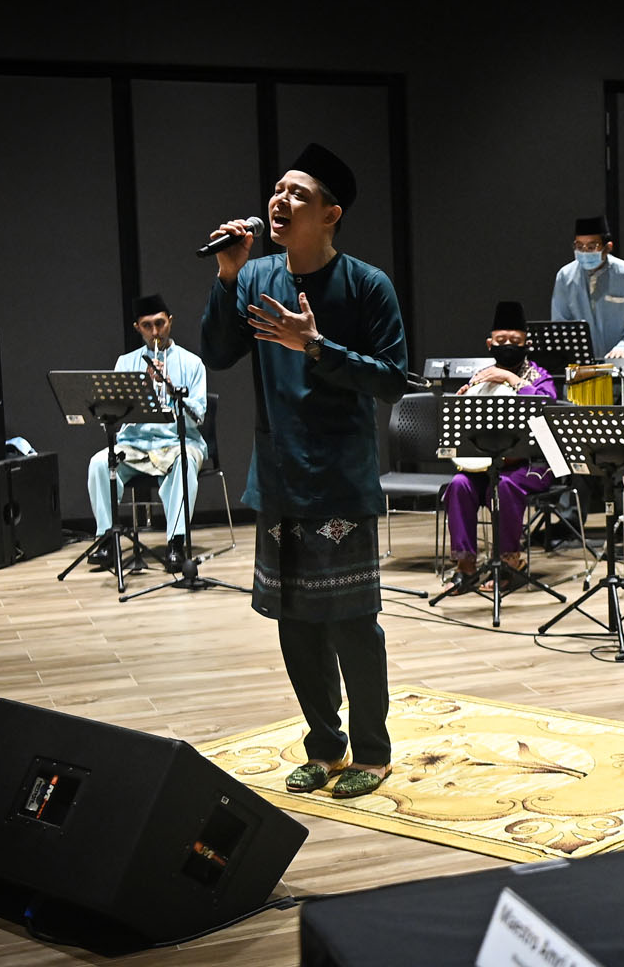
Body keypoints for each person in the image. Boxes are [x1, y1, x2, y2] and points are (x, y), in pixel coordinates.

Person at [200, 143, 409, 800]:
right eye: (278, 191)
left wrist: (315, 345)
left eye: (298, 194)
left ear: (331, 214)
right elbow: (218, 352)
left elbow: (392, 380)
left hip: (340, 477)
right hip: (281, 479)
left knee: (350, 620)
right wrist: (229, 276)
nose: (280, 201)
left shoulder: (366, 284)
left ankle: (372, 752)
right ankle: (324, 746)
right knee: (296, 621)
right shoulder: (258, 276)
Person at [440, 300, 558, 592]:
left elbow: (547, 407)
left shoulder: (539, 376)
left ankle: (510, 564)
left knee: (505, 486)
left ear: (526, 343)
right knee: (458, 485)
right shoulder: (481, 379)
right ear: (490, 343)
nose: (508, 345)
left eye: (515, 341)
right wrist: (462, 402)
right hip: (486, 465)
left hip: (532, 465)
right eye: (501, 340)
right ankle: (465, 567)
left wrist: (511, 378)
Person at [85, 294, 207, 574]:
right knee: (99, 464)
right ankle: (106, 539)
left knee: (185, 462)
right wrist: (143, 391)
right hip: (136, 444)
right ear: (137, 328)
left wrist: (171, 389)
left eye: (160, 324)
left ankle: (176, 542)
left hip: (178, 441)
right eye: (147, 326)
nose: (155, 332)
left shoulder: (192, 364)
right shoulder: (125, 363)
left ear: (170, 322)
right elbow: (115, 413)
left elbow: (198, 416)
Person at [550, 214, 624, 361]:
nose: (584, 252)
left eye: (591, 247)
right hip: (580, 368)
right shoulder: (565, 276)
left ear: (608, 247)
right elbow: (560, 324)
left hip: (619, 365)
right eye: (579, 246)